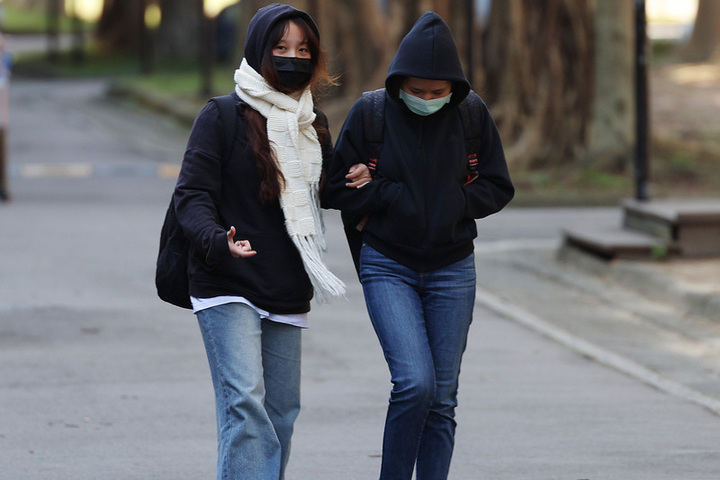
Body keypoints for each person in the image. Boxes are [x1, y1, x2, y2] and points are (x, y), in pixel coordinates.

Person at [323, 11, 515, 480]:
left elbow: (498, 185)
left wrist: (454, 201)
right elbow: (333, 189)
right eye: (416, 91)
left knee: (443, 396)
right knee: (414, 383)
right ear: (398, 83)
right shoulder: (370, 114)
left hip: (453, 268)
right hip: (388, 264)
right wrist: (386, 191)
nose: (426, 100)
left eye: (437, 93)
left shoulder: (471, 115)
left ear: (454, 88)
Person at [173, 4, 358, 479]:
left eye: (303, 49)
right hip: (225, 278)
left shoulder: (311, 124)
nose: (292, 57)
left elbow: (327, 191)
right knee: (246, 406)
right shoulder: (221, 115)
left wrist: (356, 178)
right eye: (281, 48)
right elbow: (190, 196)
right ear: (259, 51)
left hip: (286, 280)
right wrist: (218, 241)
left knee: (281, 413)